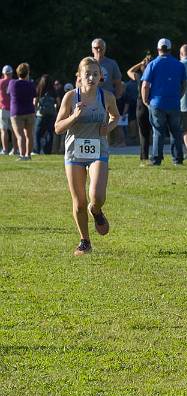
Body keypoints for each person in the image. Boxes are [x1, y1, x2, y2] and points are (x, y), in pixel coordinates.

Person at [54, 57, 120, 256]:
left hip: (98, 151)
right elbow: (57, 128)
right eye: (87, 74)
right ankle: (85, 241)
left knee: (96, 197)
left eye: (95, 74)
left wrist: (107, 127)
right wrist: (73, 117)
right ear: (79, 77)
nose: (91, 77)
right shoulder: (70, 97)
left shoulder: (106, 97)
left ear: (100, 76)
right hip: (74, 153)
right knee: (79, 202)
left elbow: (115, 117)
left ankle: (97, 211)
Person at [141, 38, 187, 166]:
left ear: (158, 49)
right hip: (174, 102)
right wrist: (179, 96)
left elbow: (145, 85)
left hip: (157, 102)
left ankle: (156, 159)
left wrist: (145, 100)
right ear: (170, 49)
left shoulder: (153, 64)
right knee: (176, 131)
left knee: (158, 131)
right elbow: (184, 83)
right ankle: (178, 159)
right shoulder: (179, 65)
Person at [127, 54, 152, 164]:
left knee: (143, 132)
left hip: (141, 105)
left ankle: (144, 156)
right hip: (152, 104)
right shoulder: (154, 76)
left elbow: (129, 71)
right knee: (154, 131)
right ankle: (155, 155)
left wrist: (140, 63)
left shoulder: (140, 76)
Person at [8, 63, 36, 160]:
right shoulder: (31, 84)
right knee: (29, 135)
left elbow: (9, 93)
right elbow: (34, 96)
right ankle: (28, 155)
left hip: (17, 112)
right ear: (27, 73)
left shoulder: (12, 83)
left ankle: (22, 155)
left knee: (20, 136)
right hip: (29, 111)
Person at [33, 74, 57, 154]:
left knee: (37, 134)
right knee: (49, 133)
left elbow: (35, 102)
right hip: (51, 115)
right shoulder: (53, 91)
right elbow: (58, 102)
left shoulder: (39, 89)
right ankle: (47, 151)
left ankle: (37, 150)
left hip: (41, 115)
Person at [0, 65, 14, 155]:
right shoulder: (13, 82)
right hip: (13, 109)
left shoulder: (0, 82)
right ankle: (15, 149)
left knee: (3, 130)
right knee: (14, 131)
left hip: (3, 108)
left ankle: (5, 150)